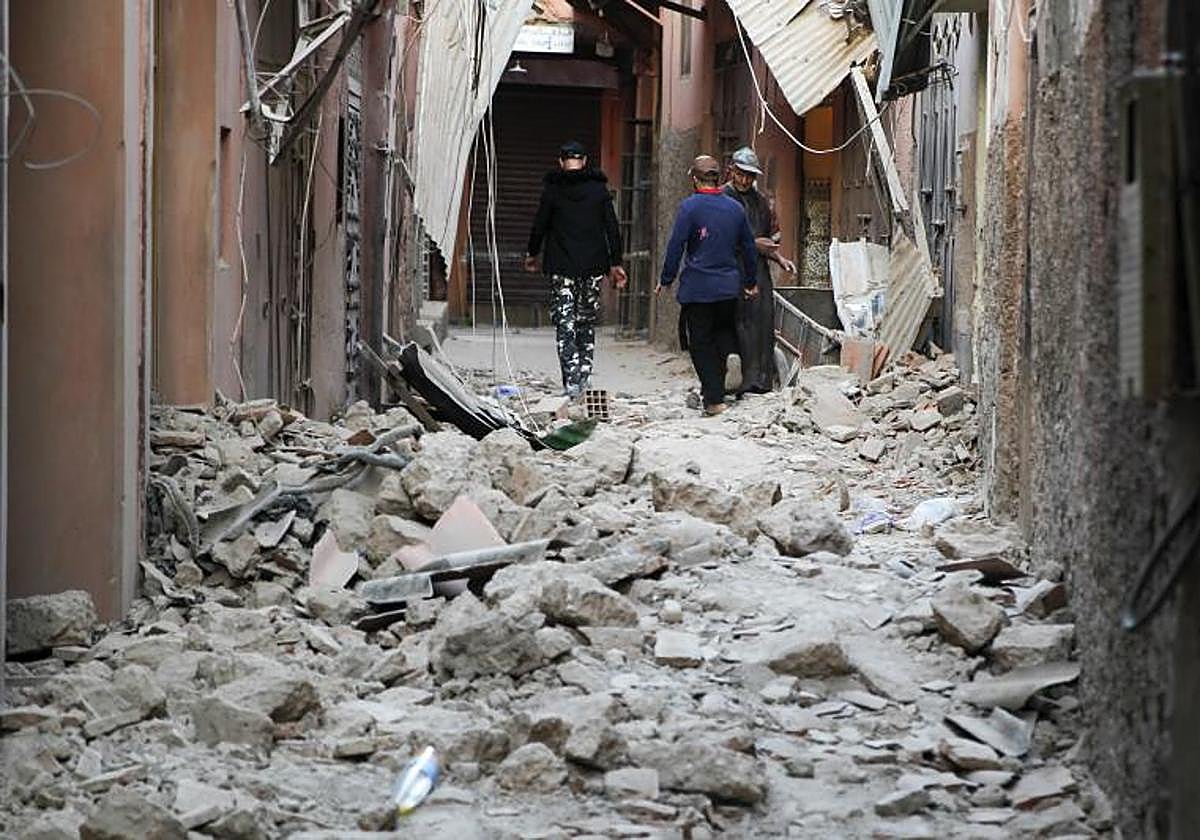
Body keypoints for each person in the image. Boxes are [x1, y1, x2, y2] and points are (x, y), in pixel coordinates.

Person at [657, 155, 758, 416]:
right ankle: (732, 355)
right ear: (719, 178)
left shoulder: (689, 208)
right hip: (728, 287)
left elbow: (676, 245)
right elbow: (749, 247)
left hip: (698, 287)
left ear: (694, 179)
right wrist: (750, 281)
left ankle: (714, 399)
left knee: (700, 342)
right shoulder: (735, 209)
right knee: (723, 332)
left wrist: (666, 279)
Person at [525, 140, 627, 398]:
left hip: (562, 268)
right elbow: (612, 228)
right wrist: (616, 263)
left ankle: (571, 381)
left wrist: (532, 253)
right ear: (584, 161)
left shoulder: (553, 191)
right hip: (593, 267)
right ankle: (584, 376)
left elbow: (539, 225)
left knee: (565, 323)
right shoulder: (599, 191)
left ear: (561, 162)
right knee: (585, 321)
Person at [723, 146, 796, 394]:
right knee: (736, 323)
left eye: (749, 176)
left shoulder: (762, 202)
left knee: (762, 322)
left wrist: (779, 258)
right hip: (731, 269)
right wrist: (753, 245)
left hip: (758, 270)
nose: (744, 180)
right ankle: (735, 381)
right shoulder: (722, 199)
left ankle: (760, 381)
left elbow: (770, 239)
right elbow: (720, 238)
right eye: (740, 174)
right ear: (731, 170)